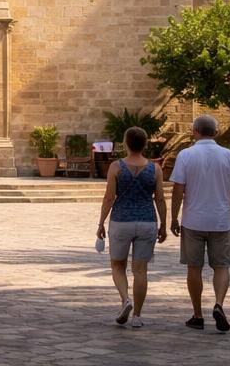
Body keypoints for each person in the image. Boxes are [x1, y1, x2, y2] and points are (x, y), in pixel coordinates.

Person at [169, 114, 230, 333]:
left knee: (194, 268)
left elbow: (178, 190)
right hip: (221, 220)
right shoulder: (229, 156)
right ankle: (219, 303)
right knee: (222, 266)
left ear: (194, 131)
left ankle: (197, 314)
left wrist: (174, 218)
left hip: (193, 220)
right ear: (217, 132)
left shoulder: (186, 155)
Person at [96, 126, 167, 328]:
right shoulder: (155, 169)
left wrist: (101, 222)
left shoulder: (116, 167)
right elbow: (160, 198)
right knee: (140, 270)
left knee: (118, 265)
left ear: (126, 143)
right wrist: (163, 225)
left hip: (121, 221)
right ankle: (137, 316)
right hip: (147, 221)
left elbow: (109, 197)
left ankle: (125, 299)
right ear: (145, 144)